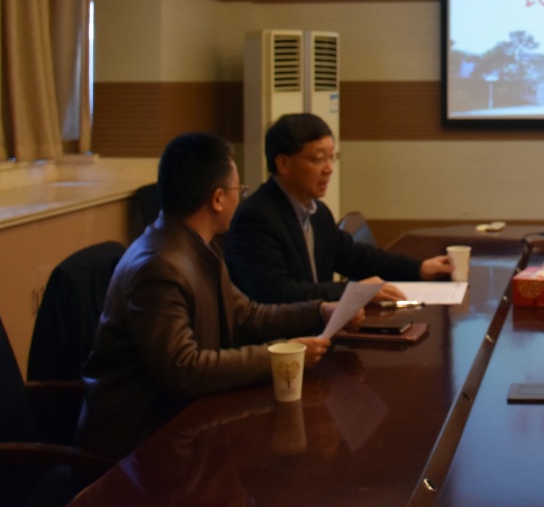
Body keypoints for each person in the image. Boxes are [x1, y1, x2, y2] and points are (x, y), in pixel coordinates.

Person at [78, 132, 351, 460]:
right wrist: (282, 358)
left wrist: (320, 311)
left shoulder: (196, 245)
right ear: (218, 199)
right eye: (239, 190)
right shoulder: (160, 266)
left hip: (183, 425)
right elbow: (184, 369)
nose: (241, 198)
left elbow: (246, 315)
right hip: (140, 447)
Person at [225, 113, 452, 304]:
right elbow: (275, 294)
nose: (328, 169)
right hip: (284, 339)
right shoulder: (256, 218)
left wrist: (419, 268)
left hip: (318, 327)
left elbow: (356, 257)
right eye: (318, 159)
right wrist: (354, 293)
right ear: (284, 163)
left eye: (331, 158)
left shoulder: (318, 212)